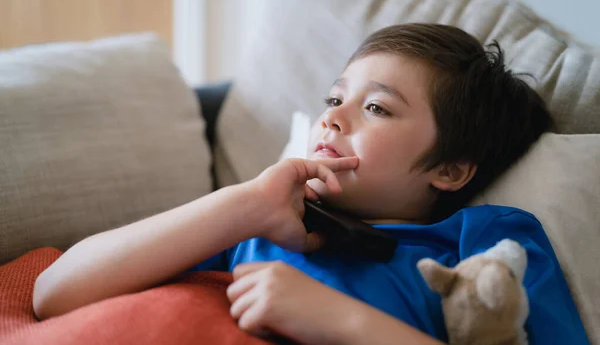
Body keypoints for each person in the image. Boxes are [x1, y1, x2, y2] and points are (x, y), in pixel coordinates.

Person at [32, 24, 589, 344]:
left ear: (451, 170)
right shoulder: (265, 217)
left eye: (375, 107)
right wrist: (246, 201)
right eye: (333, 99)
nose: (332, 119)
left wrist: (337, 318)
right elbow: (54, 293)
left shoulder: (492, 243)